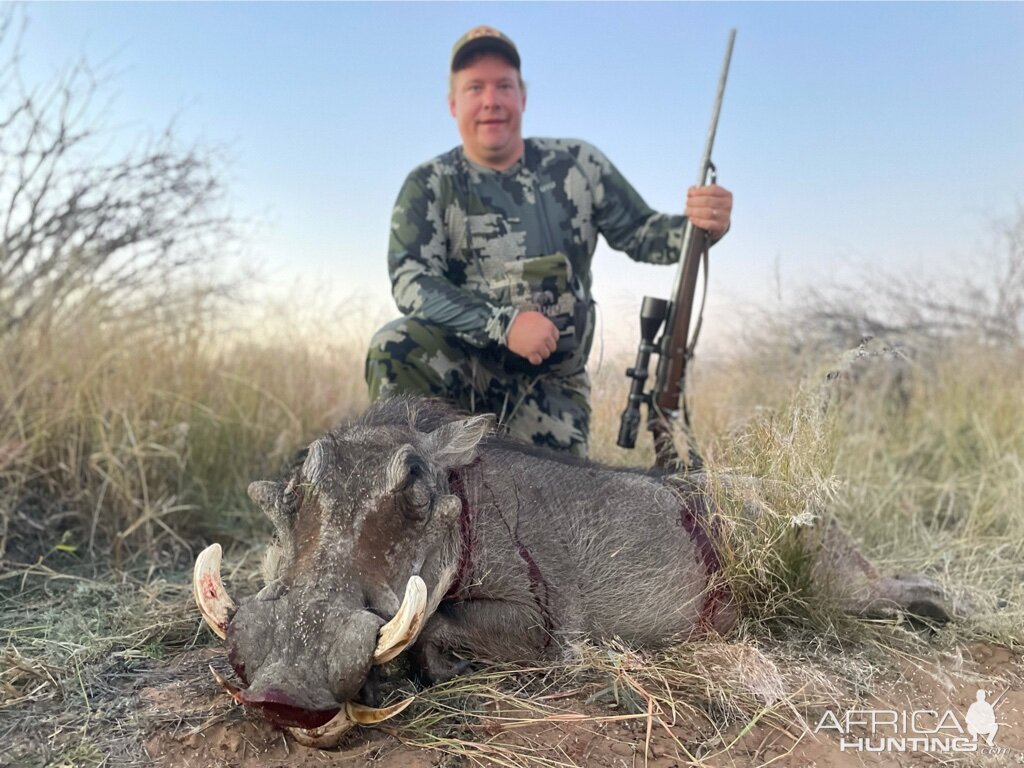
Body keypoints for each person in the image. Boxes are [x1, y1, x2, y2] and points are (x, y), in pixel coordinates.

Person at [366, 25, 733, 457]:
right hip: (462, 370)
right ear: (453, 104)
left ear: (523, 96)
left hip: (552, 384)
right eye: (474, 88)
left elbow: (644, 235)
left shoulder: (578, 165)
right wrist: (503, 324)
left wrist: (703, 225)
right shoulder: (429, 184)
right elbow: (411, 280)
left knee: (547, 514)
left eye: (504, 85)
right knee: (395, 345)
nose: (491, 101)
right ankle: (403, 494)